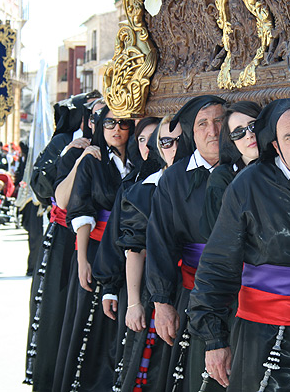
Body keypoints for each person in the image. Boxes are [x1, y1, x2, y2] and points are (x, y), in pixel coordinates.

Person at [188, 98, 290, 392]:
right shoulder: (248, 185)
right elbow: (218, 264)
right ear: (276, 145)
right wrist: (214, 340)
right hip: (261, 334)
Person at [145, 95, 226, 392]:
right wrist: (162, 302)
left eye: (219, 121)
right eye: (203, 124)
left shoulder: (245, 171)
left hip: (243, 294)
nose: (213, 131)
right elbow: (160, 242)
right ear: (192, 132)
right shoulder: (173, 179)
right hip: (192, 293)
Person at [54, 105, 136, 392]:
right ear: (100, 126)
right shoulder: (93, 161)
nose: (116, 129)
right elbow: (79, 211)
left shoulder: (140, 164)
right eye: (110, 123)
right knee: (90, 323)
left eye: (123, 124)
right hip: (95, 250)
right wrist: (83, 260)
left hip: (129, 253)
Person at [24, 92, 102, 390]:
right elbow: (44, 189)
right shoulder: (64, 143)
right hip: (62, 241)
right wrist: (70, 151)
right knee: (55, 312)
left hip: (97, 243)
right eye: (92, 114)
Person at [107, 115, 182, 392]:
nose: (173, 147)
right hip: (156, 288)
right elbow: (134, 250)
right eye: (165, 142)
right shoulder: (144, 189)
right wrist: (134, 302)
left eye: (178, 141)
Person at [90, 115, 162, 390]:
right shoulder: (132, 183)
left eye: (156, 139)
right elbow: (115, 240)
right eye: (142, 140)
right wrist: (110, 286)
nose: (148, 146)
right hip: (135, 283)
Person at [200, 100, 262, 239]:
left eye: (253, 126)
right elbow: (218, 236)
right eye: (238, 132)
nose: (249, 135)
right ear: (231, 141)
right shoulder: (223, 178)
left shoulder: (287, 168)